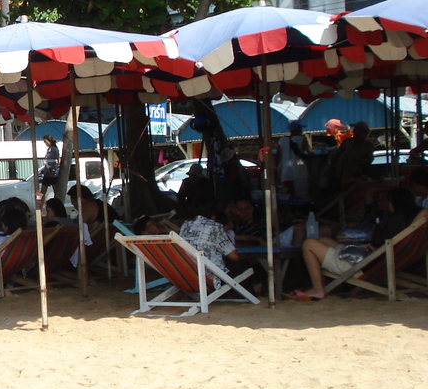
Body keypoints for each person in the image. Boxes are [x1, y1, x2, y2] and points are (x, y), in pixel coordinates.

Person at [289, 187, 426, 300]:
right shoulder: (406, 223)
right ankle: (321, 285)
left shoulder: (396, 219)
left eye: (389, 201)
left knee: (308, 244)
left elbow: (385, 244)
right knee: (323, 240)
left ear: (396, 203)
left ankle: (318, 289)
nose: (387, 205)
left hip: (362, 263)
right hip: (373, 258)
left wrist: (372, 247)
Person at [179, 201, 257, 291]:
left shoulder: (185, 225)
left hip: (188, 274)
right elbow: (234, 256)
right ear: (213, 213)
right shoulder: (214, 226)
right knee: (242, 265)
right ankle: (248, 294)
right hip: (209, 277)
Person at [277, 121, 311, 200]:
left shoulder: (282, 140)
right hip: (300, 173)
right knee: (302, 197)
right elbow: (310, 153)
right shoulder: (302, 139)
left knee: (287, 197)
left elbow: (277, 155)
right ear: (297, 130)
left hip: (286, 173)